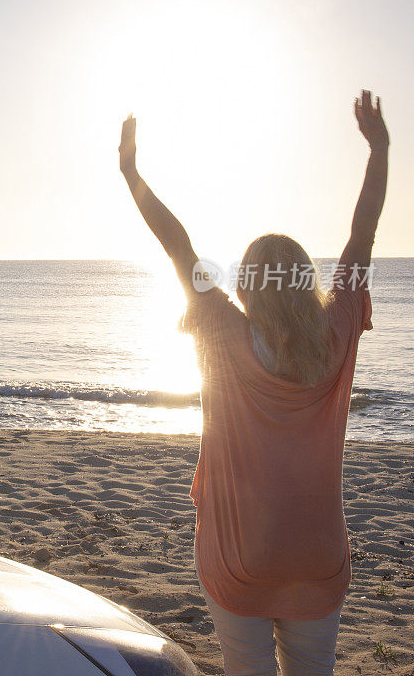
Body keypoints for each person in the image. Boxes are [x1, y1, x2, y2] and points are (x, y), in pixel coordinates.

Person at [119, 90, 389, 676]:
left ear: (245, 288)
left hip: (241, 556)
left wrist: (131, 174)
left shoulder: (220, 326)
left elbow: (177, 244)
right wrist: (381, 149)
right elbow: (362, 234)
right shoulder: (337, 329)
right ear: (306, 281)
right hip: (318, 555)